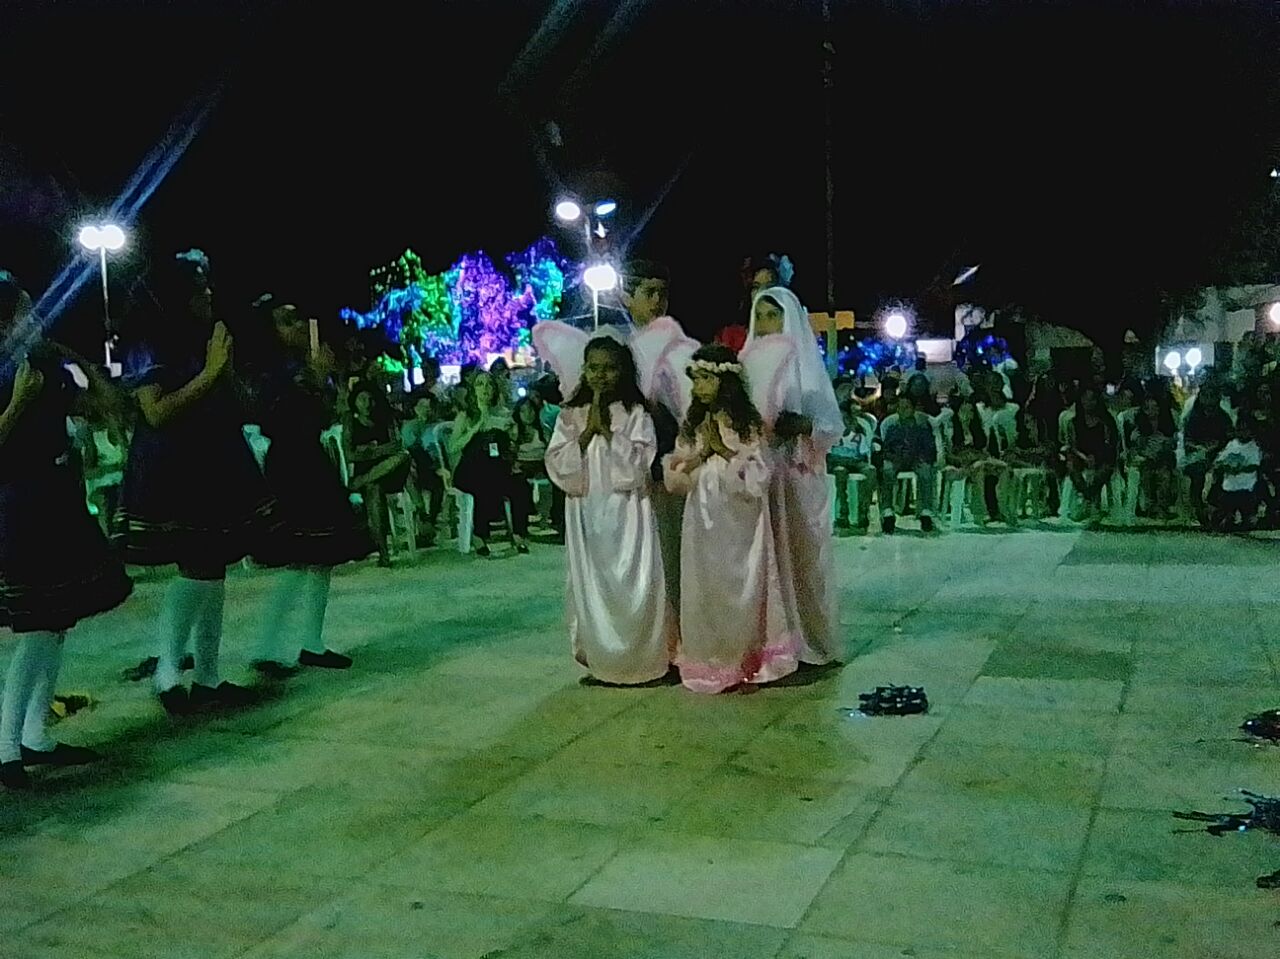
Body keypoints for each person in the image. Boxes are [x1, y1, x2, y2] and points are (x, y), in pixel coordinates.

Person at [116, 250, 271, 716]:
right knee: (195, 566)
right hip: (175, 466)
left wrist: (227, 368)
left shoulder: (207, 337)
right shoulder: (149, 341)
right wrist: (211, 372)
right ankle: (167, 672)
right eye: (200, 288)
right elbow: (155, 411)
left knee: (214, 567)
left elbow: (241, 401)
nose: (209, 294)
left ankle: (207, 676)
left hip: (215, 459)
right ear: (178, 296)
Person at [0, 272, 133, 789]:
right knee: (36, 625)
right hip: (19, 502)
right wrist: (17, 403)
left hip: (56, 496)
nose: (35, 318)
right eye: (24, 311)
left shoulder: (45, 364)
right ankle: (6, 747)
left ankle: (36, 735)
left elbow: (100, 407)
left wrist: (78, 361)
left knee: (58, 621)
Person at [242, 294, 373, 677]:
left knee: (320, 556)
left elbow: (323, 416)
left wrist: (323, 382)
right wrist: (316, 382)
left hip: (309, 461)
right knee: (300, 556)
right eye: (287, 321)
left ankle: (310, 642)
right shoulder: (273, 371)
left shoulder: (298, 367)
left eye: (298, 319)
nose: (298, 326)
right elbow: (279, 417)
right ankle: (267, 646)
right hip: (292, 465)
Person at [545, 335, 676, 684]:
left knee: (633, 581)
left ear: (623, 371)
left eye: (609, 368)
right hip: (587, 509)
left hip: (629, 510)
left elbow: (639, 466)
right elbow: (557, 463)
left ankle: (641, 660)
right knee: (594, 584)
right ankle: (603, 659)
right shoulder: (570, 415)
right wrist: (586, 434)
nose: (600, 376)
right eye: (593, 368)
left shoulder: (636, 414)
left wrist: (609, 434)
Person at [664, 344, 794, 692]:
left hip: (739, 520)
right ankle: (709, 657)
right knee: (705, 583)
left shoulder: (746, 425)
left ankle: (742, 657)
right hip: (702, 515)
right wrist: (698, 457)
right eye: (696, 379)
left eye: (706, 378)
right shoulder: (694, 424)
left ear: (726, 381)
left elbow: (759, 477)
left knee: (739, 581)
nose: (699, 386)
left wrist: (722, 450)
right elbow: (678, 470)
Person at [747, 287, 843, 664]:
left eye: (774, 316)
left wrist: (801, 426)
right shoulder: (746, 365)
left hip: (797, 476)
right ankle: (772, 643)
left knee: (803, 559)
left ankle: (809, 641)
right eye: (760, 316)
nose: (766, 325)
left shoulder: (806, 370)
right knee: (765, 562)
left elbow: (830, 426)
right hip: (761, 475)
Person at [447, 369, 530, 557]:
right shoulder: (466, 416)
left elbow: (513, 444)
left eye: (489, 384)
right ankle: (479, 535)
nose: (485, 388)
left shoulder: (502, 414)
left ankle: (518, 534)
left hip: (497, 468)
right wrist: (475, 429)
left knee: (520, 485)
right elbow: (452, 447)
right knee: (483, 480)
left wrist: (511, 432)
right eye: (480, 384)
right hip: (469, 471)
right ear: (473, 390)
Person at [346, 380, 412, 566]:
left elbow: (397, 446)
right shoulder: (350, 420)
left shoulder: (385, 418)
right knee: (374, 489)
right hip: (369, 473)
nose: (367, 404)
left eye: (370, 399)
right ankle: (384, 552)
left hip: (388, 471)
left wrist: (370, 450)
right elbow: (350, 454)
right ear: (355, 401)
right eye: (362, 399)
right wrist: (380, 450)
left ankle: (362, 480)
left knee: (404, 456)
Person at [878, 394, 939, 534]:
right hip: (897, 459)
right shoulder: (892, 426)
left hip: (917, 458)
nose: (903, 410)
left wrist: (922, 458)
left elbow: (929, 447)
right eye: (900, 407)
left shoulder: (922, 426)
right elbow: (886, 448)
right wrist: (895, 456)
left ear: (913, 409)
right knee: (887, 469)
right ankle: (887, 512)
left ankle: (926, 511)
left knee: (925, 470)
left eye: (906, 407)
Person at [1181, 378, 1234, 524]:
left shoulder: (1223, 417)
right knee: (1197, 470)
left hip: (1219, 455)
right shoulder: (1193, 417)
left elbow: (1230, 440)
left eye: (1212, 396)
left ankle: (1216, 506)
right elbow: (1187, 440)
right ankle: (1197, 507)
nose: (1208, 400)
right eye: (1205, 396)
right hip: (1196, 455)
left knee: (1224, 470)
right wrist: (1199, 448)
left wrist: (1216, 446)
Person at [1063, 385, 1119, 520]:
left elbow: (1109, 445)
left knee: (1104, 469)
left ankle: (1088, 501)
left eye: (1092, 399)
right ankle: (1090, 500)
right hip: (1081, 456)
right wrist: (1084, 457)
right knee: (1071, 466)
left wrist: (1096, 457)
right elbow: (1073, 446)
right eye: (1085, 399)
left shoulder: (1106, 421)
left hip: (1102, 457)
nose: (1088, 403)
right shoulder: (1073, 422)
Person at [1126, 394, 1177, 519]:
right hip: (1145, 459)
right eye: (1148, 408)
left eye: (1155, 407)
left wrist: (1161, 450)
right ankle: (1150, 506)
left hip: (1163, 459)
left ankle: (1162, 506)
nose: (1152, 411)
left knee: (1164, 475)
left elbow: (1171, 444)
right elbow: (1136, 447)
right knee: (1146, 473)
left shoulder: (1167, 425)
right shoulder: (1139, 429)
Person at [828, 401, 877, 530]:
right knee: (840, 471)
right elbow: (828, 455)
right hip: (837, 463)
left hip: (855, 461)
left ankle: (863, 510)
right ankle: (843, 511)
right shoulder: (831, 435)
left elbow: (864, 454)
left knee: (871, 470)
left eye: (845, 418)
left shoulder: (858, 434)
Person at [1209, 417, 1262, 531]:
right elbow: (1219, 461)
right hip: (1229, 486)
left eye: (1245, 430)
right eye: (1239, 430)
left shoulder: (1253, 447)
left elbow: (1254, 465)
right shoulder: (1231, 445)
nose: (1242, 433)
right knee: (1226, 510)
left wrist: (1239, 469)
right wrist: (1225, 466)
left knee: (1247, 513)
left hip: (1246, 487)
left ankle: (1247, 519)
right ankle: (1227, 519)